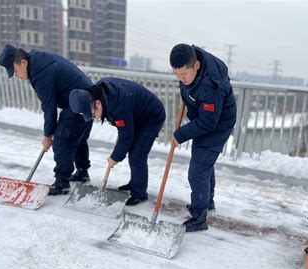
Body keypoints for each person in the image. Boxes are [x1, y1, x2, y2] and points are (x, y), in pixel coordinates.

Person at [0, 44, 93, 195]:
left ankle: (62, 182)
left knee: (62, 139)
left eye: (16, 72)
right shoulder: (38, 61)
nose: (17, 76)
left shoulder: (40, 73)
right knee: (76, 136)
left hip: (79, 101)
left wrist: (48, 135)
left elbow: (49, 107)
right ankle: (82, 172)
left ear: (23, 62)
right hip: (87, 97)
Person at [169, 44, 237, 233]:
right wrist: (185, 87)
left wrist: (180, 134)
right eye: (177, 75)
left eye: (184, 75)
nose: (181, 80)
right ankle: (207, 202)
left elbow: (208, 123)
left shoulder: (210, 87)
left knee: (197, 171)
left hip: (218, 124)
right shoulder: (191, 58)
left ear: (197, 66)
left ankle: (199, 218)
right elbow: (189, 85)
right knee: (203, 162)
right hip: (204, 117)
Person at [69, 78, 166, 206]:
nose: (94, 118)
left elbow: (127, 137)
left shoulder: (118, 104)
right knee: (133, 151)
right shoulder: (100, 93)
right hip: (134, 114)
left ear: (97, 104)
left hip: (151, 117)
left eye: (92, 114)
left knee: (137, 155)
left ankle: (139, 194)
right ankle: (135, 182)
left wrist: (115, 157)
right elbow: (124, 127)